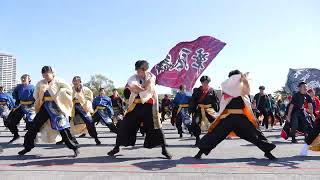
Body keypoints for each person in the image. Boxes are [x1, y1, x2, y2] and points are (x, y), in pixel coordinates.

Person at [194, 70, 277, 160]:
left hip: (241, 118)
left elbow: (247, 103)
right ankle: (200, 151)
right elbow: (223, 104)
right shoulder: (226, 89)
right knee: (215, 134)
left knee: (254, 134)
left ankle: (267, 152)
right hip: (228, 118)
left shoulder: (243, 89)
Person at [107, 60, 172, 159]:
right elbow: (135, 88)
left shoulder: (151, 77)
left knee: (157, 127)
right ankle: (116, 148)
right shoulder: (133, 78)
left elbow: (146, 88)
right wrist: (141, 87)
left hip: (149, 107)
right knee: (124, 126)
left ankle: (164, 149)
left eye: (146, 68)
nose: (145, 70)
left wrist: (141, 87)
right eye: (143, 68)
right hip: (135, 107)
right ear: (138, 69)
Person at [18, 66, 79, 157]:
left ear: (52, 73)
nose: (46, 75)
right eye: (44, 74)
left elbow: (68, 90)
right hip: (45, 107)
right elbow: (35, 95)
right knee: (33, 126)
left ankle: (74, 147)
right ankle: (27, 147)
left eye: (48, 73)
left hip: (57, 107)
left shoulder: (59, 81)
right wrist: (41, 94)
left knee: (63, 129)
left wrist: (61, 92)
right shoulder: (40, 83)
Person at [70, 76, 101, 145]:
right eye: (73, 81)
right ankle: (72, 138)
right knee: (69, 122)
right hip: (73, 107)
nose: (75, 83)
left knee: (90, 121)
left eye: (76, 81)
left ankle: (95, 137)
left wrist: (86, 102)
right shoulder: (71, 89)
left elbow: (90, 98)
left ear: (80, 82)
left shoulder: (86, 89)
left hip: (83, 107)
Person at [189, 75, 220, 145]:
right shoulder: (196, 90)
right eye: (203, 82)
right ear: (201, 82)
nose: (205, 83)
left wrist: (216, 108)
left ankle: (211, 138)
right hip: (199, 109)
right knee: (195, 122)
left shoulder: (212, 91)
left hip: (209, 109)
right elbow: (193, 100)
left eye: (207, 82)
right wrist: (192, 109)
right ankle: (197, 138)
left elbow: (216, 101)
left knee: (215, 123)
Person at [7, 74, 35, 143]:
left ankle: (31, 139)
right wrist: (16, 105)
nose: (23, 80)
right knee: (10, 121)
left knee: (31, 123)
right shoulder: (18, 87)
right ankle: (16, 135)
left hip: (31, 107)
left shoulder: (33, 87)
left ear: (29, 80)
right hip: (21, 106)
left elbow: (37, 97)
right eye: (22, 79)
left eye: (24, 79)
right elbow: (14, 95)